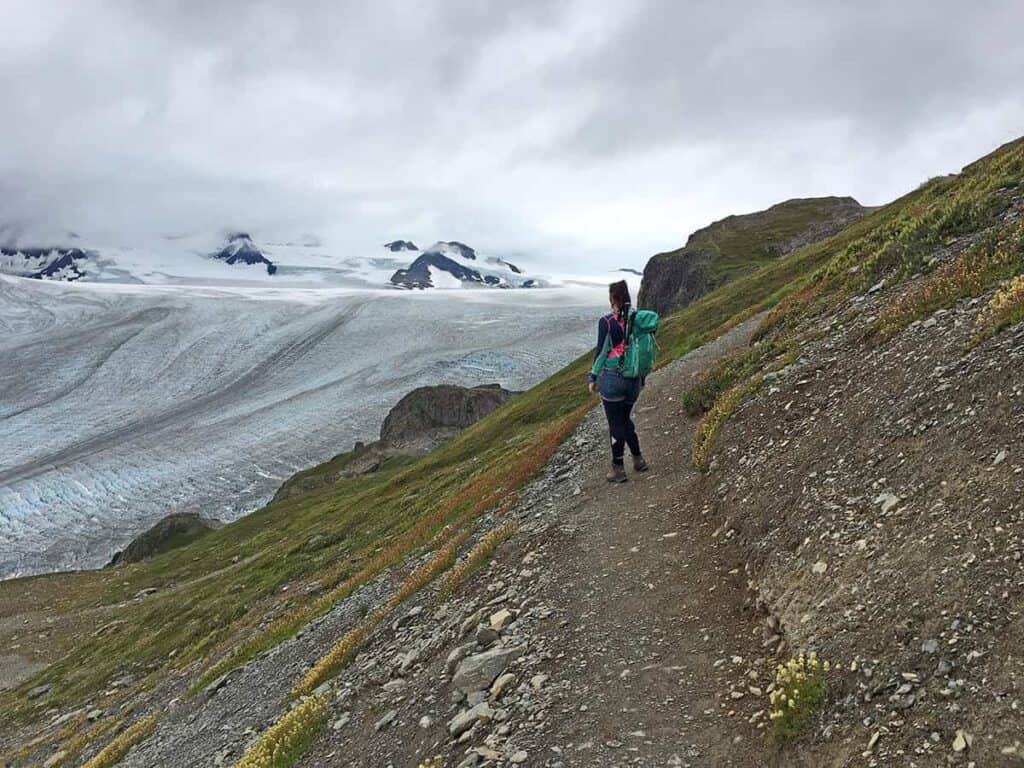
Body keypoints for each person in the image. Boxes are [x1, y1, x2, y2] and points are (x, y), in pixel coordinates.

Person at [587, 280, 648, 483]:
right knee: (624, 419)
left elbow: (602, 351)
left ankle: (618, 468)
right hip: (634, 380)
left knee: (616, 423)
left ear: (613, 298)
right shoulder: (638, 318)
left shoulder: (607, 322)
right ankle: (638, 459)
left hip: (613, 378)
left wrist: (593, 377)